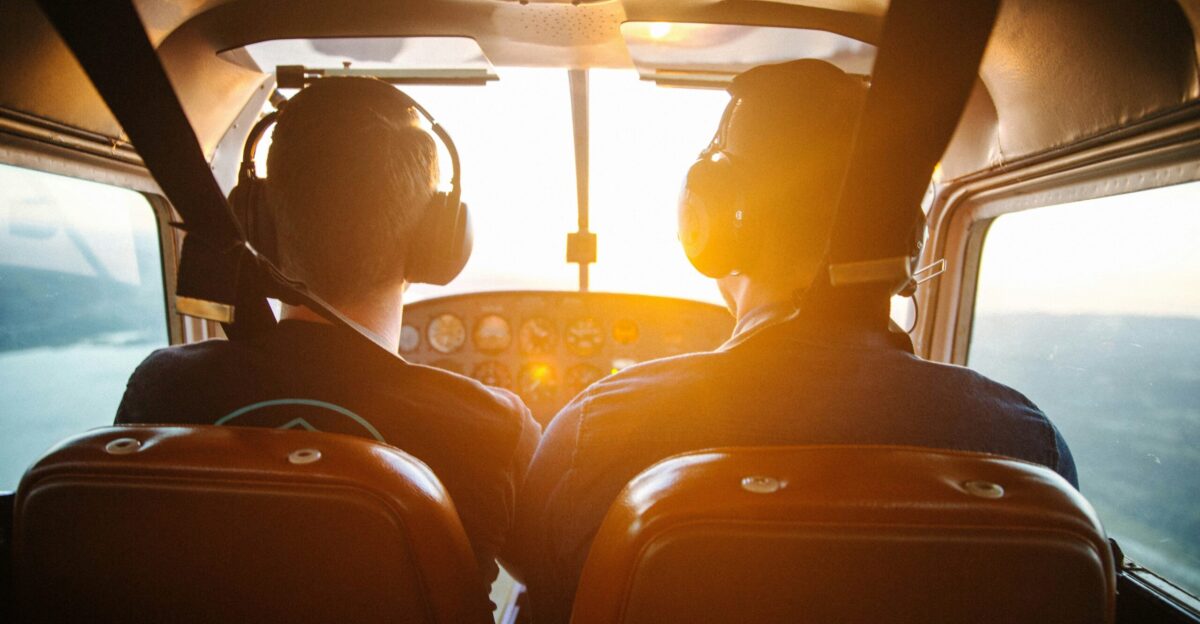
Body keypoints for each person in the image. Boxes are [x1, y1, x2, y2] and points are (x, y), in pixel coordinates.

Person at [504, 59, 1077, 623]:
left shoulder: (596, 435)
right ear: (910, 239)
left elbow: (539, 580)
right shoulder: (1028, 450)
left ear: (710, 227)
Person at [116, 77, 541, 593]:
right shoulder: (490, 426)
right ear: (437, 243)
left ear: (257, 226)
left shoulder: (163, 390)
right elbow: (554, 580)